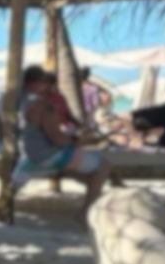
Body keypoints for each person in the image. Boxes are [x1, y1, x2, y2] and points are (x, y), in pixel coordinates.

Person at [14, 64, 108, 211]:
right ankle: (86, 211)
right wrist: (79, 141)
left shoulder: (14, 100)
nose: (48, 85)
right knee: (103, 166)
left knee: (77, 169)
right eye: (46, 81)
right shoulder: (43, 105)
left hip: (24, 156)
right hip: (45, 157)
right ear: (38, 82)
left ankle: (97, 196)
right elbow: (57, 139)